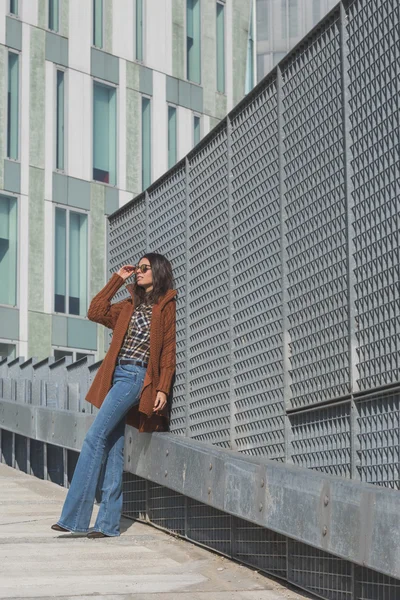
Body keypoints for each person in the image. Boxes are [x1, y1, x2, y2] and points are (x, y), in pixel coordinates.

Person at [51, 253, 177, 538]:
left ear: (157, 272)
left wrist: (162, 388)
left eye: (145, 268)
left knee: (94, 437)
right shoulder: (129, 304)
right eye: (138, 269)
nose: (139, 273)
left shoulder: (165, 306)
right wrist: (117, 279)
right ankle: (107, 524)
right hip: (117, 375)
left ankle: (74, 517)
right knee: (111, 445)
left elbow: (169, 351)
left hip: (136, 378)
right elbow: (95, 311)